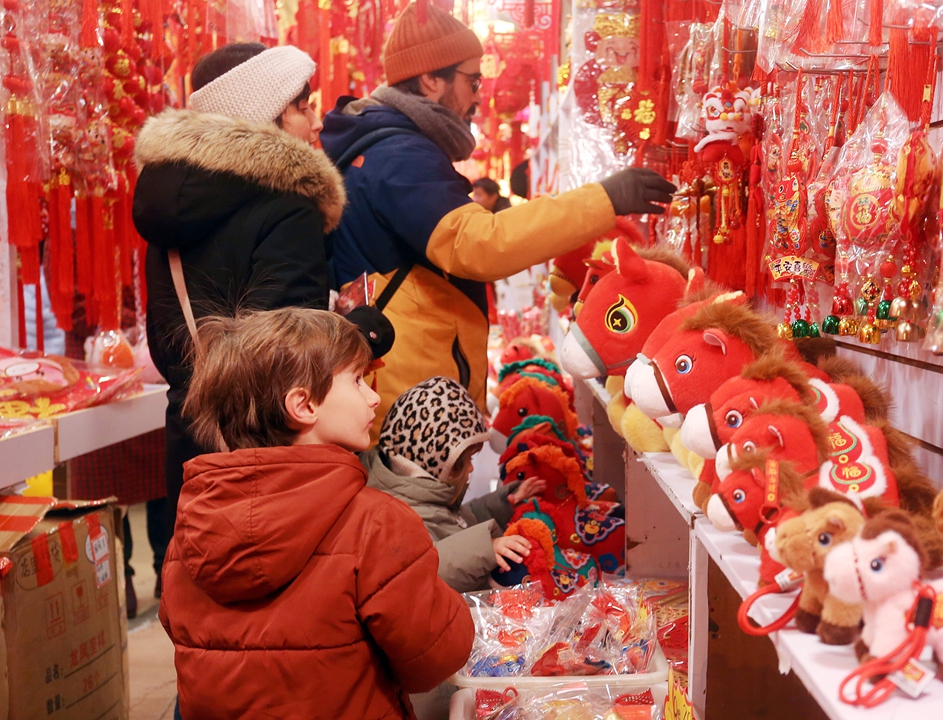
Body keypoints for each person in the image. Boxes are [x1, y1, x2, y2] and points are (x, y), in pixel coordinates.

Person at [320, 1, 676, 431]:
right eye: (472, 80)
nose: (478, 95)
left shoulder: (392, 147)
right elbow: (478, 244)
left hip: (405, 386)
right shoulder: (400, 155)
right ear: (433, 79)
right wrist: (603, 199)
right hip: (406, 401)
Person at [133, 43, 392, 581]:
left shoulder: (169, 204)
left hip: (191, 442)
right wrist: (358, 332)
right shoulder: (286, 204)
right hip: (266, 456)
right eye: (303, 105)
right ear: (267, 114)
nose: (317, 120)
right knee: (286, 620)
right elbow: (287, 354)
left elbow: (174, 336)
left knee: (206, 623)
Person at [159, 308, 473, 719]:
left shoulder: (190, 529)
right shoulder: (375, 523)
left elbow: (178, 627)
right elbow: (435, 656)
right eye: (358, 380)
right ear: (303, 405)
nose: (374, 396)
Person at [362, 376, 547, 593]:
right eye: (463, 462)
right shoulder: (395, 515)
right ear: (435, 459)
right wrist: (485, 549)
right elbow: (423, 573)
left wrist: (504, 503)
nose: (471, 469)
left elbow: (458, 521)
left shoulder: (424, 492)